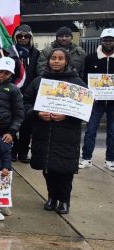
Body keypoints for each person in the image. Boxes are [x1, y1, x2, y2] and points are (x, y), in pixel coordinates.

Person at [23, 48, 86, 214]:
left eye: (60, 59)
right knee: (48, 169)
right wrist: (37, 113)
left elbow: (86, 107)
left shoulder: (76, 83)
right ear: (48, 61)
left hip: (66, 134)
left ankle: (64, 200)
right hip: (44, 132)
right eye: (53, 58)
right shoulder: (39, 81)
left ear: (66, 61)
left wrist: (67, 115)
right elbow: (26, 103)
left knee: (64, 170)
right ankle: (51, 197)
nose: (56, 61)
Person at [79, 28, 114, 170]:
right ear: (101, 41)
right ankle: (86, 158)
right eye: (106, 39)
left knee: (113, 131)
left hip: (113, 102)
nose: (108, 42)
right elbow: (85, 78)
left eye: (111, 39)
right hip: (95, 102)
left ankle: (110, 159)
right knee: (91, 130)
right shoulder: (91, 58)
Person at [13, 24, 41, 163]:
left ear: (31, 37)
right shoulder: (10, 52)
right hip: (13, 92)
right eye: (20, 36)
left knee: (26, 125)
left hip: (30, 95)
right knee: (12, 123)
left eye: (26, 36)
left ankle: (23, 152)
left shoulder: (36, 53)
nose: (23, 39)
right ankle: (12, 151)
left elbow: (39, 72)